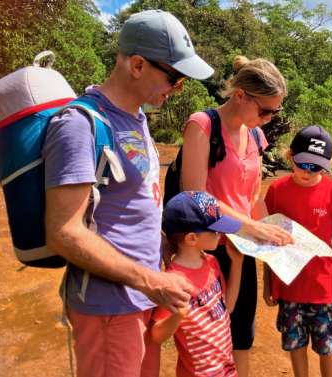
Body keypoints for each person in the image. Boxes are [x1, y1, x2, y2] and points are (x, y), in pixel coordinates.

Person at [43, 10, 214, 377]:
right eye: (175, 78)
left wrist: (160, 244)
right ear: (137, 65)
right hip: (110, 307)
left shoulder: (136, 117)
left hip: (142, 296)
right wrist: (152, 280)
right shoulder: (81, 125)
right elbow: (63, 231)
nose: (177, 88)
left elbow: (131, 203)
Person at [180, 55, 288, 377]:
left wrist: (276, 232)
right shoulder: (202, 125)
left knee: (242, 333)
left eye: (274, 111)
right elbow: (195, 196)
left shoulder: (255, 136)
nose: (269, 119)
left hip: (244, 245)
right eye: (265, 110)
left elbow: (252, 195)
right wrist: (252, 226)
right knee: (208, 335)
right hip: (209, 248)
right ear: (240, 95)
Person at [262, 125, 332, 377]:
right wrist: (267, 283)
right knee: (295, 344)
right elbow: (267, 240)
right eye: (303, 163)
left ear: (329, 164)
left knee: (327, 347)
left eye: (316, 167)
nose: (308, 171)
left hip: (325, 289)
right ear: (290, 156)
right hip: (288, 286)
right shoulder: (276, 191)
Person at [152, 191, 244, 377]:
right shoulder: (173, 281)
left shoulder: (212, 263)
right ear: (192, 238)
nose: (221, 234)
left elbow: (228, 306)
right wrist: (177, 315)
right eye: (215, 229)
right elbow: (156, 335)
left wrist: (237, 264)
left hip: (226, 369)